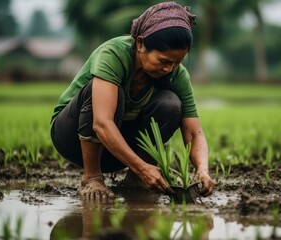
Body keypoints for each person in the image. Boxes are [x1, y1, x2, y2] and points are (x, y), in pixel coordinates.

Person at [50, 1, 215, 200]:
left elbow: (193, 132)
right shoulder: (113, 54)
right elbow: (102, 123)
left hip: (118, 150)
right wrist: (142, 168)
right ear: (140, 44)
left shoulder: (177, 75)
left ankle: (136, 179)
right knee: (106, 93)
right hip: (72, 138)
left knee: (170, 103)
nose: (169, 69)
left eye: (176, 62)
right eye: (163, 61)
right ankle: (92, 177)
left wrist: (202, 170)